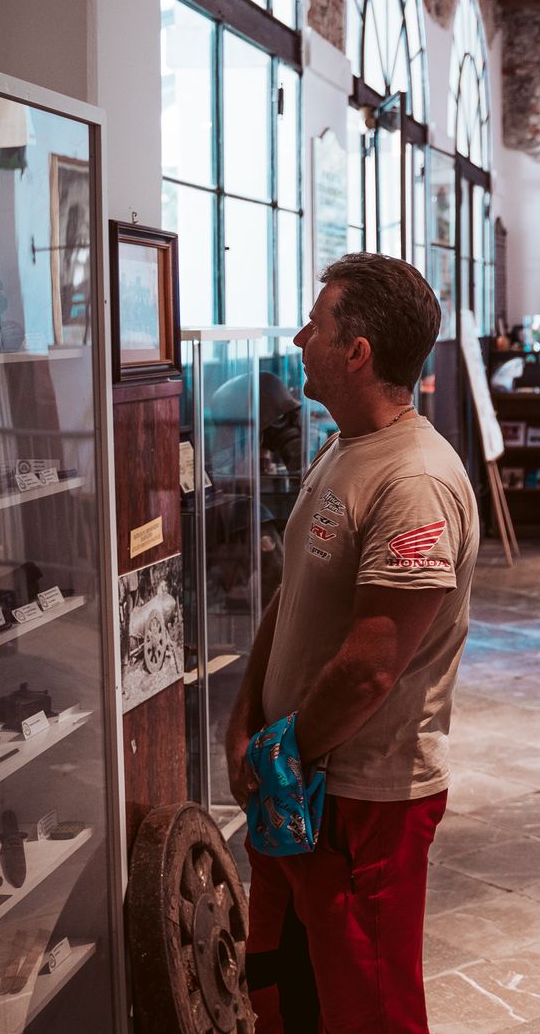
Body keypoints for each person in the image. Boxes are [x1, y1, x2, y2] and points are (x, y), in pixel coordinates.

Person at [223, 253, 477, 1034]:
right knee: (287, 990)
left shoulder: (415, 481)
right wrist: (246, 717)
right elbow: (292, 595)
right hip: (300, 783)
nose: (300, 339)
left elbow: (371, 667)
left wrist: (279, 752)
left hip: (361, 797)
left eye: (316, 325)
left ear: (357, 351)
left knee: (367, 1009)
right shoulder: (345, 446)